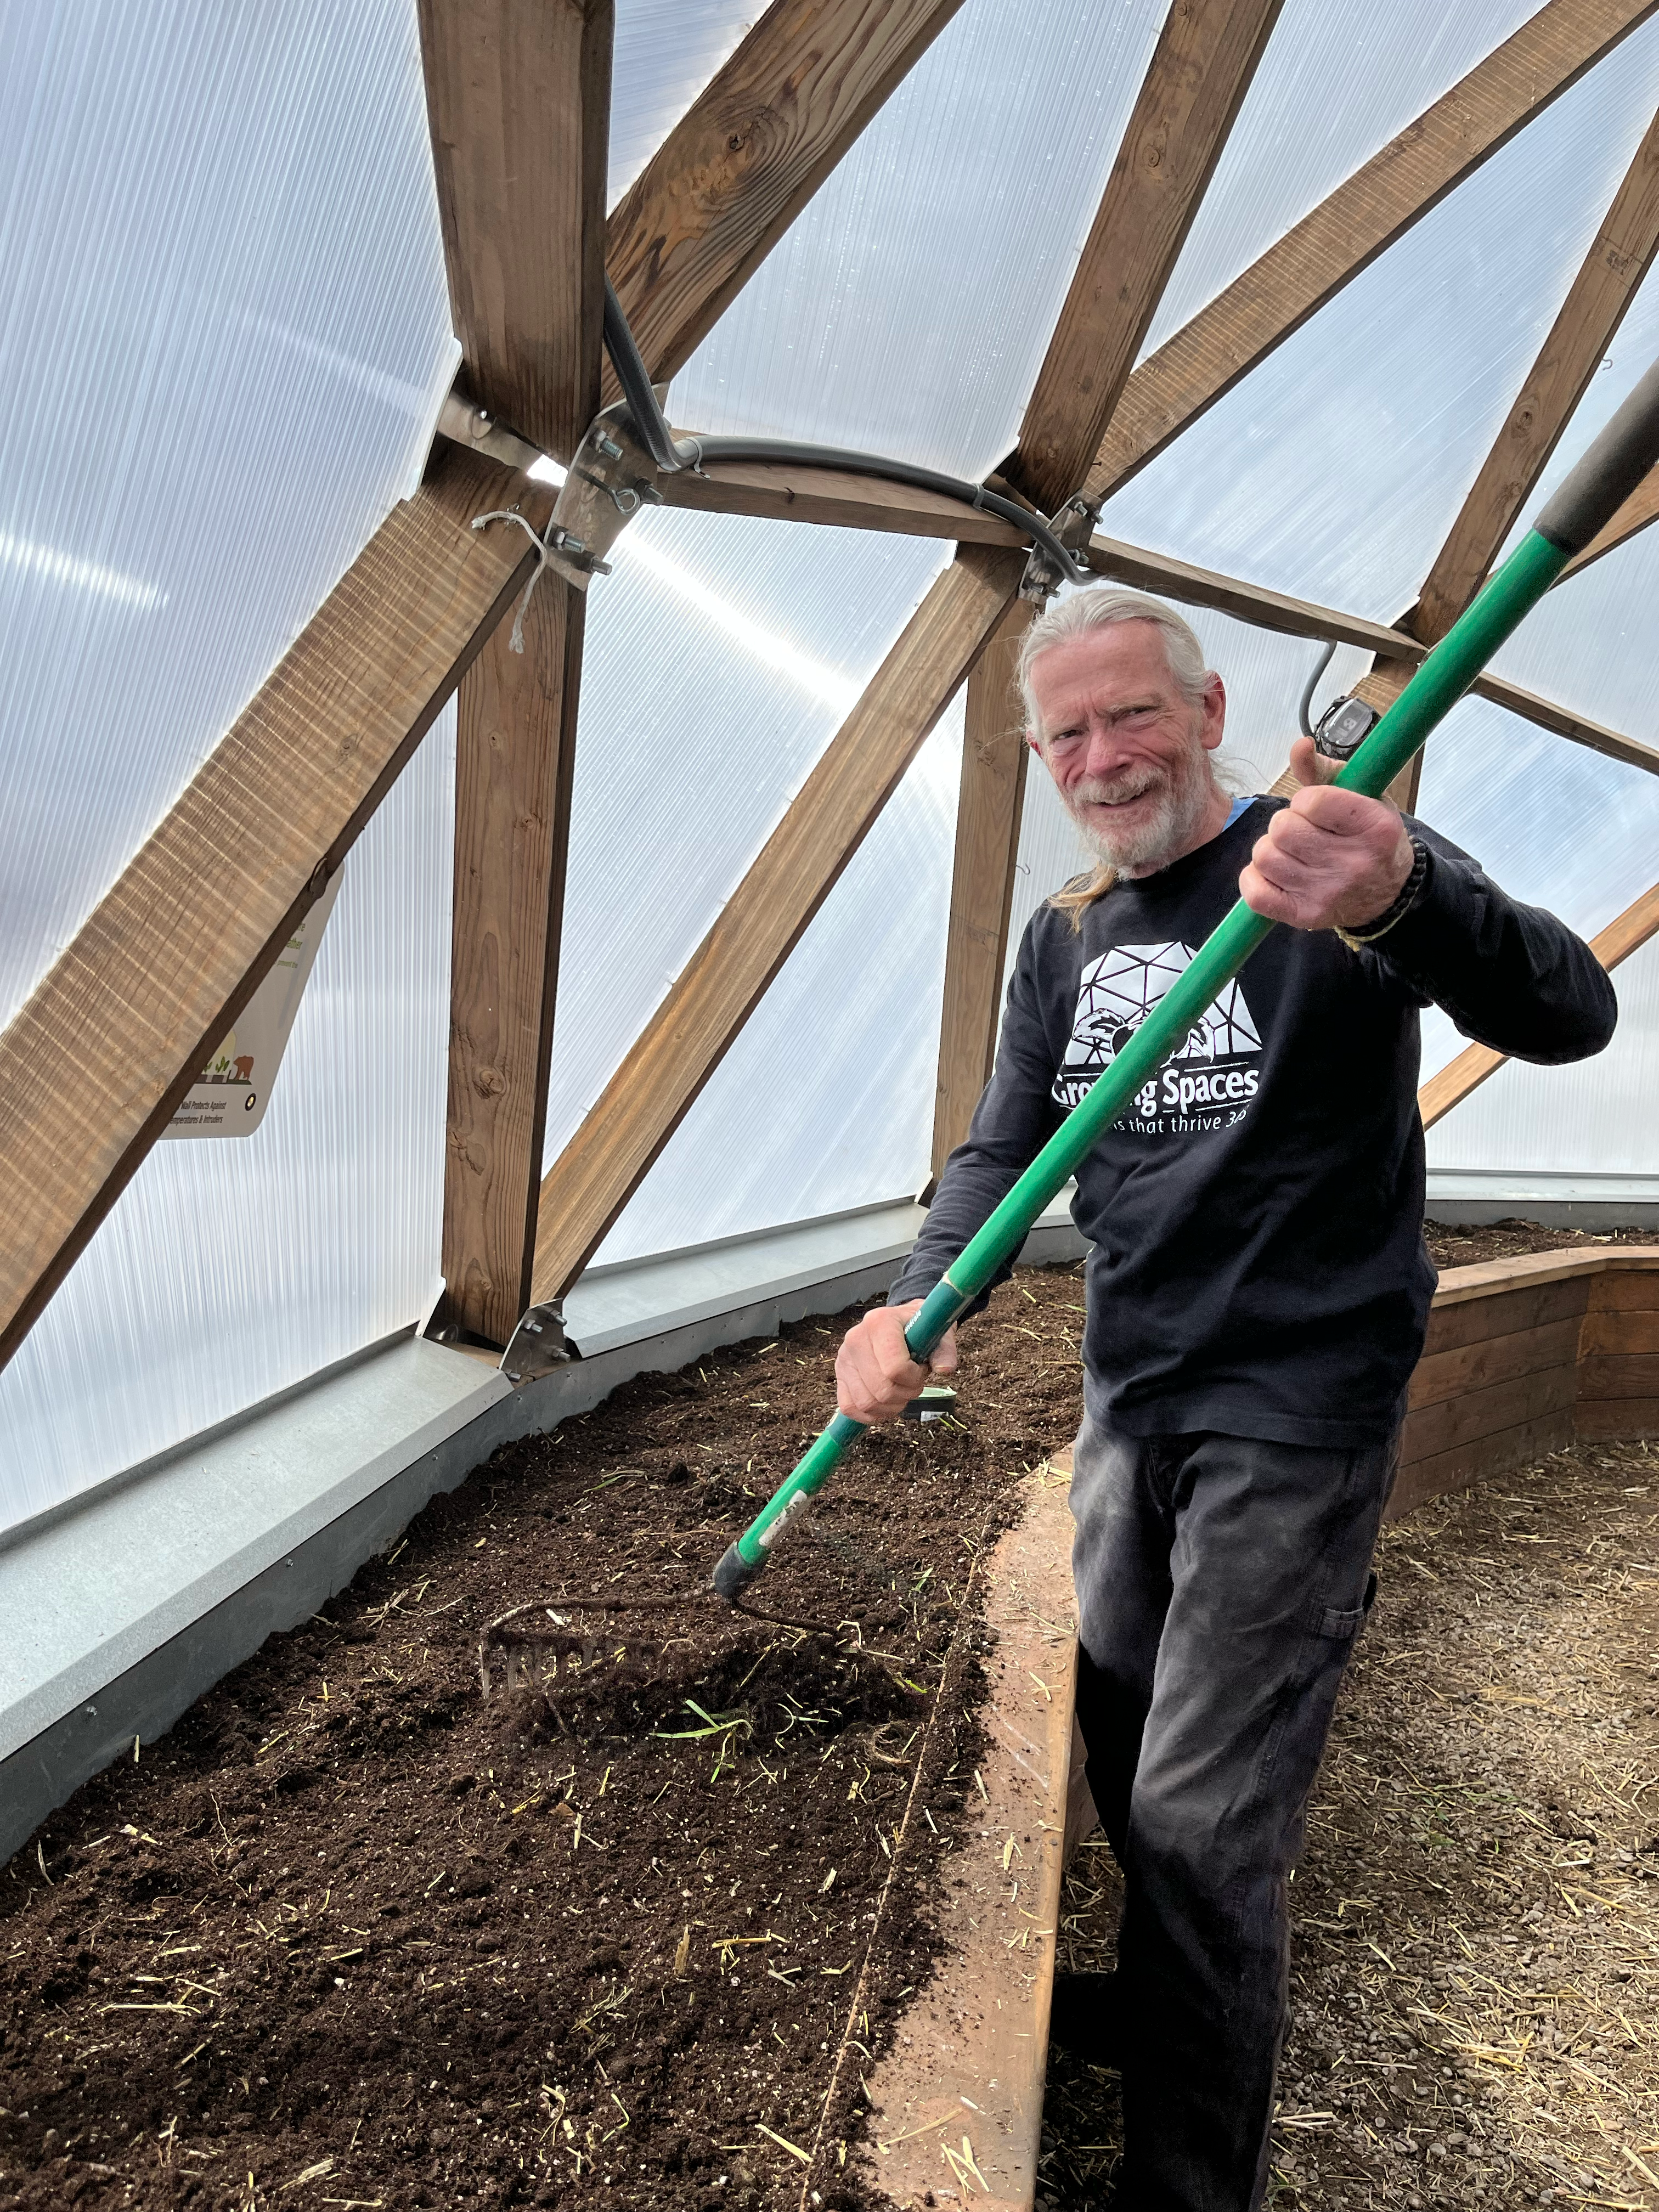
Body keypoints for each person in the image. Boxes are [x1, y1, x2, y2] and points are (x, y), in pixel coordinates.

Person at [833, 587, 1616, 2212]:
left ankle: (1194, 2181)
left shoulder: (1326, 855)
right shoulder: (1068, 933)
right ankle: (1171, 2000)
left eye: (1133, 716)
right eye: (1069, 735)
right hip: (1137, 1391)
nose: (1104, 758)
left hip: (1299, 1402)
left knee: (1205, 1813)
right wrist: (927, 1288)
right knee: (1124, 1740)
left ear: (1205, 713)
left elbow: (1565, 1009)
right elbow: (1002, 1140)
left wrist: (1403, 891)